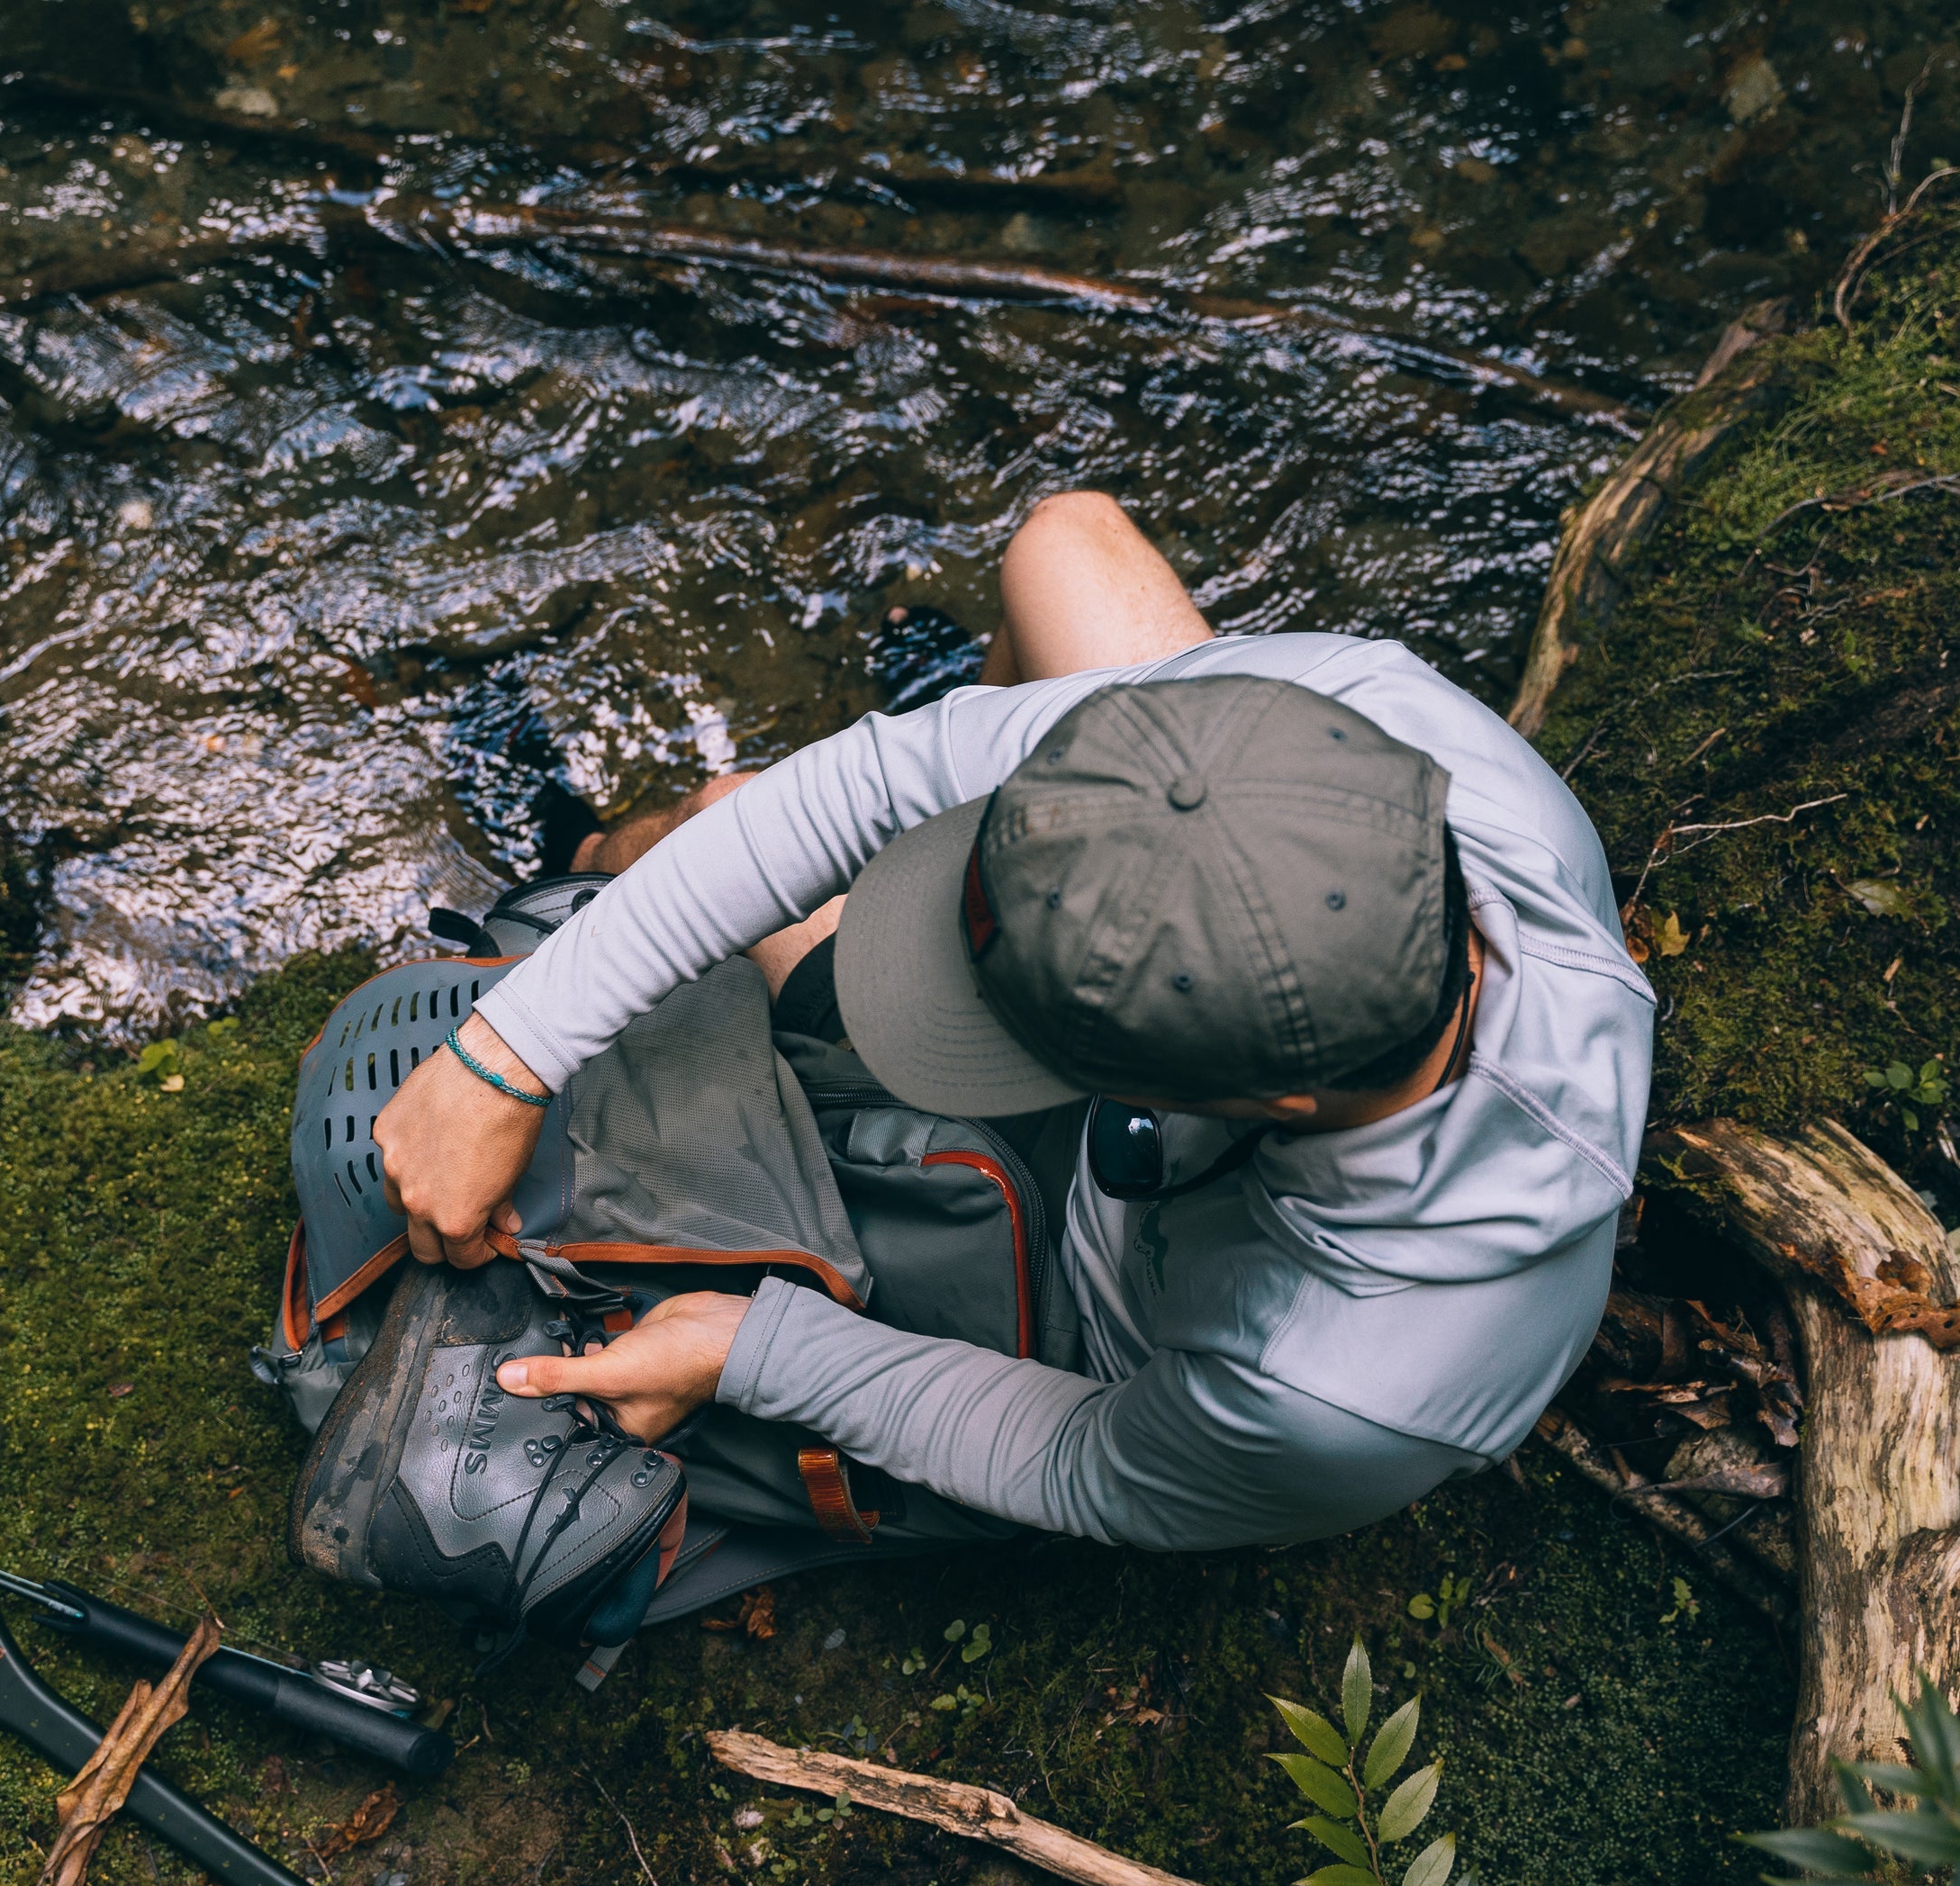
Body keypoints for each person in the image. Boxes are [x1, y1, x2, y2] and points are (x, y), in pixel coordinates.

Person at [368, 492, 1655, 1554]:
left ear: (1251, 1108)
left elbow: (1081, 1460)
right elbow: (865, 786)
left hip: (1090, 1305)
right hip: (1182, 1099)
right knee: (1065, 543)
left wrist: (758, 1349)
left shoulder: (1338, 1388)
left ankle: (577, 855)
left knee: (714, 824)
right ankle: (608, 858)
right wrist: (509, 1054)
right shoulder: (1376, 731)